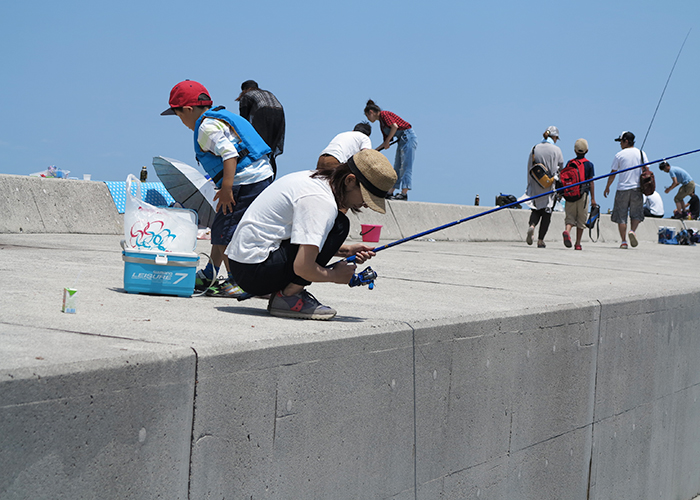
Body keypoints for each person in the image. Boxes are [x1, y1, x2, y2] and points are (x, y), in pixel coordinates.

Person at [226, 149, 397, 320]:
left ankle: (284, 293)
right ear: (350, 181)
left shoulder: (315, 179)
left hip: (244, 264)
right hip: (254, 272)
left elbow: (295, 235)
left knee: (336, 225)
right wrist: (335, 276)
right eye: (367, 198)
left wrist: (346, 251)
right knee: (339, 226)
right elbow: (303, 267)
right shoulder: (321, 201)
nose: (366, 205)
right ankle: (288, 298)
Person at [162, 80, 274, 297]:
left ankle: (238, 281)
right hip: (259, 177)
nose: (182, 121)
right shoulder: (218, 117)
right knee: (222, 227)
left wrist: (226, 188)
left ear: (188, 109)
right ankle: (210, 272)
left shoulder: (205, 127)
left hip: (244, 182)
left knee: (225, 232)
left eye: (179, 116)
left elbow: (230, 155)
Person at [364, 100, 417, 200]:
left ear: (371, 112)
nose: (368, 118)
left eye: (367, 115)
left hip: (408, 137)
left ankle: (404, 193)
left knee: (406, 165)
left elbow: (394, 126)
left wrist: (388, 140)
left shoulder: (384, 114)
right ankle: (390, 192)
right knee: (397, 166)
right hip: (401, 141)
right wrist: (374, 151)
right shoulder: (382, 124)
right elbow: (385, 143)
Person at [603, 131, 647, 249]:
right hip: (637, 188)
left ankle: (623, 241)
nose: (620, 144)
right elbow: (646, 170)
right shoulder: (641, 153)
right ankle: (632, 231)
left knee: (621, 216)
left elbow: (613, 173)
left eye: (621, 141)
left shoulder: (619, 155)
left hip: (622, 188)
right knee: (636, 214)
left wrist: (607, 187)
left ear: (626, 141)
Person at [525, 126, 563, 248]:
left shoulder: (534, 148)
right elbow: (561, 168)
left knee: (536, 209)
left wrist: (530, 184)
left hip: (536, 184)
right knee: (547, 213)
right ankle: (540, 240)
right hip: (549, 184)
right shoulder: (556, 150)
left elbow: (529, 167)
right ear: (555, 137)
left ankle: (532, 226)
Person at [237, 80, 285, 176]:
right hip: (279, 113)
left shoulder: (246, 96)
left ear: (243, 90)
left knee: (260, 145)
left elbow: (243, 119)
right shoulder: (267, 93)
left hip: (262, 113)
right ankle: (272, 173)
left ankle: (258, 171)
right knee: (271, 147)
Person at [561, 138, 596, 250]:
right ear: (587, 151)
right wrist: (593, 199)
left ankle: (567, 231)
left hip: (570, 194)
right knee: (581, 219)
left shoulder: (570, 163)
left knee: (570, 217)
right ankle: (578, 243)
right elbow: (591, 182)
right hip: (583, 194)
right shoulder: (589, 165)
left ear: (575, 150)